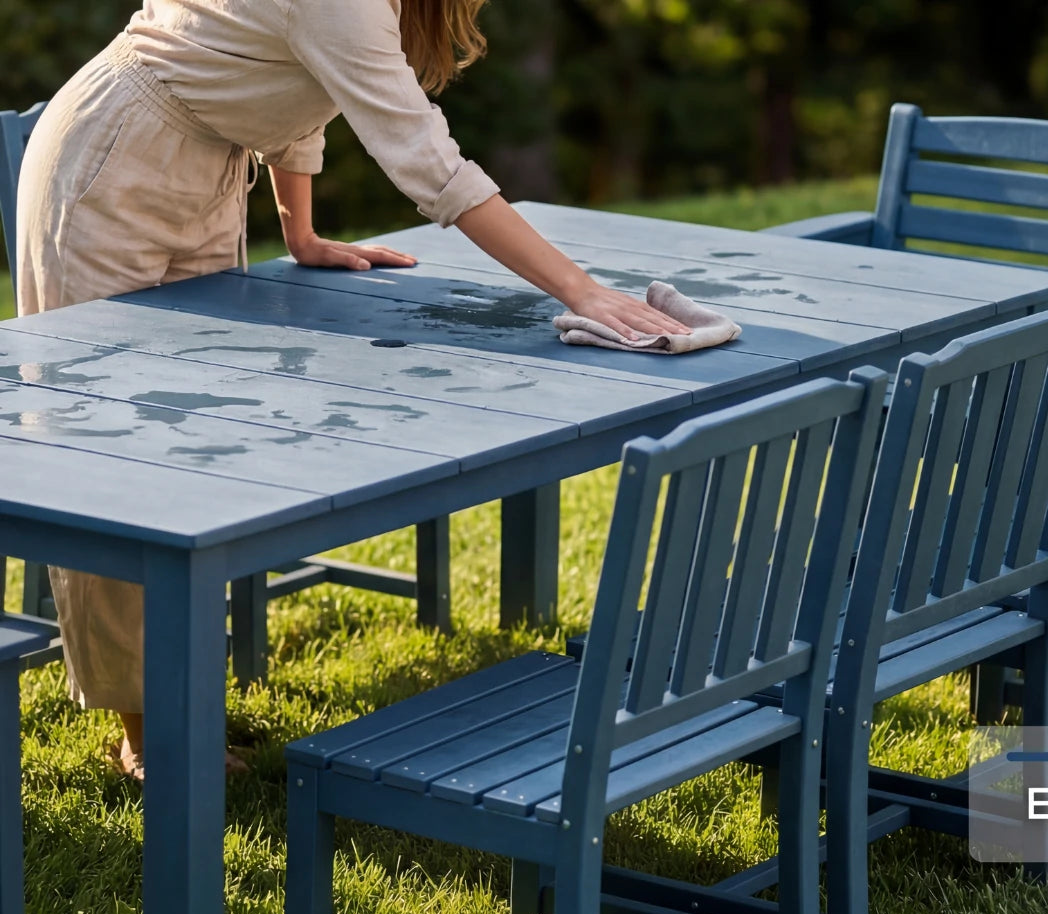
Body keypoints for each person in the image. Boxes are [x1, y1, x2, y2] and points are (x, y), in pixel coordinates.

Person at [14, 0, 690, 782]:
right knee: (117, 457)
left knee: (187, 450)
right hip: (109, 166)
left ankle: (172, 685)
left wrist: (297, 230)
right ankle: (148, 728)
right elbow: (430, 164)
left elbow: (298, 85)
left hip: (204, 165)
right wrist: (580, 291)